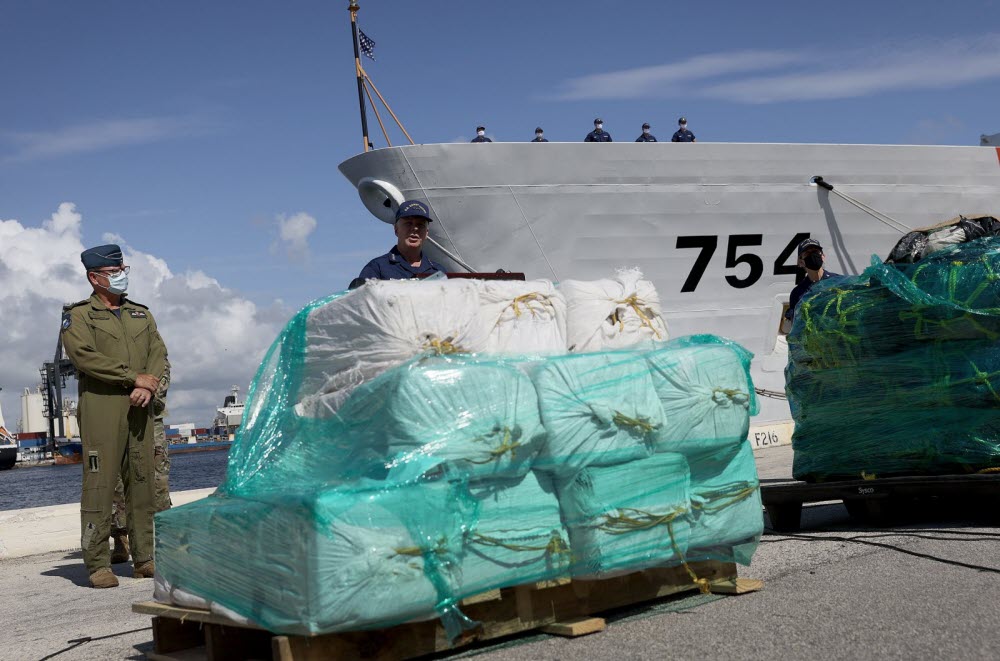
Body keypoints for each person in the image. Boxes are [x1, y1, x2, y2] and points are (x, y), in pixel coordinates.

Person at [61, 244, 168, 588]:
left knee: (141, 483)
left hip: (141, 407)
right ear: (94, 278)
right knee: (99, 485)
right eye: (113, 272)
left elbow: (158, 352)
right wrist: (131, 377)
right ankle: (97, 564)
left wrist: (148, 385)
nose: (121, 276)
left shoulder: (141, 314)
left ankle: (145, 559)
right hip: (102, 408)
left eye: (123, 269)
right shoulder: (78, 316)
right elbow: (84, 357)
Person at [109, 360, 172, 564]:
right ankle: (120, 537)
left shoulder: (150, 343)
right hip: (116, 416)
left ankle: (164, 539)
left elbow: (162, 370)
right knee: (116, 482)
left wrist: (147, 390)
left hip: (149, 417)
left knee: (157, 480)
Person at [352, 200, 445, 287]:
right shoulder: (377, 268)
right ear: (396, 229)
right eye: (408, 223)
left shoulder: (438, 272)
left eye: (420, 225)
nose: (415, 228)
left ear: (426, 233)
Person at [785, 238, 842, 323]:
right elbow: (796, 325)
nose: (813, 255)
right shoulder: (797, 293)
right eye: (808, 253)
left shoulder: (839, 281)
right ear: (800, 262)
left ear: (823, 256)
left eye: (816, 252)